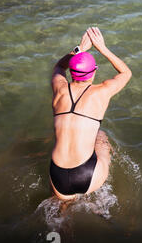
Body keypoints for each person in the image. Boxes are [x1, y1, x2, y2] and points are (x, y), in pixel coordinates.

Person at [50, 27, 132, 200]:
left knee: (64, 209)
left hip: (57, 177)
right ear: (94, 71)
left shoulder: (59, 88)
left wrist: (79, 49)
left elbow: (58, 66)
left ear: (71, 73)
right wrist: (102, 48)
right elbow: (126, 73)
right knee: (101, 136)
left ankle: (65, 209)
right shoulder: (101, 92)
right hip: (86, 175)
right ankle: (97, 203)